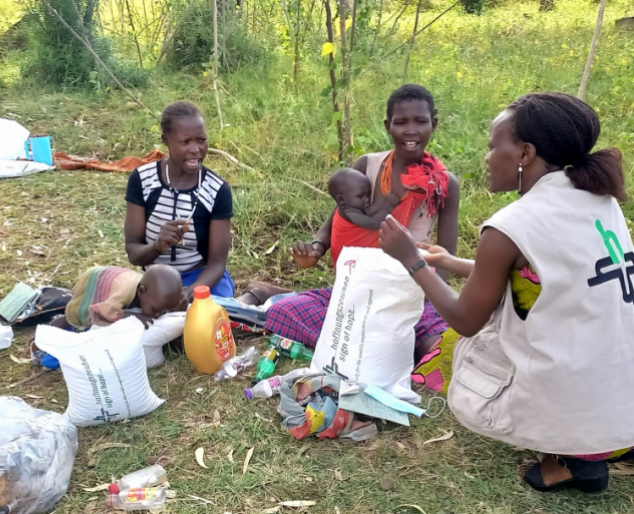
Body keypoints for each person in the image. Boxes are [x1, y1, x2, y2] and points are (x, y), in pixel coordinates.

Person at [380, 92, 634, 494]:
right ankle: (606, 440)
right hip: (620, 381)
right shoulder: (597, 198)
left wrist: (410, 259)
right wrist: (447, 262)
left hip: (576, 385)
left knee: (459, 346)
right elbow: (541, 275)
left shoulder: (510, 224)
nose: (486, 157)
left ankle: (568, 459)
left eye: (493, 146)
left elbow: (465, 319)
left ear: (525, 154)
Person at [265, 84, 459, 359]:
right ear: (387, 126)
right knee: (282, 314)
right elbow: (336, 217)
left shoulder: (442, 183)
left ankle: (373, 342)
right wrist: (317, 248)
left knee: (437, 348)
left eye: (420, 121)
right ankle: (376, 342)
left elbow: (445, 257)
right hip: (360, 290)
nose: (410, 130)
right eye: (401, 122)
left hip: (410, 292)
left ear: (434, 124)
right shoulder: (367, 166)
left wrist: (425, 301)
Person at [125, 101, 234, 301]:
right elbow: (133, 252)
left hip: (200, 278)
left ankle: (253, 296)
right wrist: (158, 246)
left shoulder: (217, 190)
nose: (196, 149)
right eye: (185, 142)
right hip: (155, 280)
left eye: (201, 140)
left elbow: (217, 265)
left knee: (209, 322)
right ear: (166, 140)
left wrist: (189, 293)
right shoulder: (142, 179)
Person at [64, 264, 183, 329]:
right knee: (82, 313)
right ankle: (62, 322)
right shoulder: (121, 296)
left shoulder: (151, 294)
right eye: (156, 310)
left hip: (116, 277)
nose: (158, 315)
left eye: (164, 311)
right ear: (140, 292)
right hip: (95, 280)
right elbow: (102, 312)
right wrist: (129, 315)